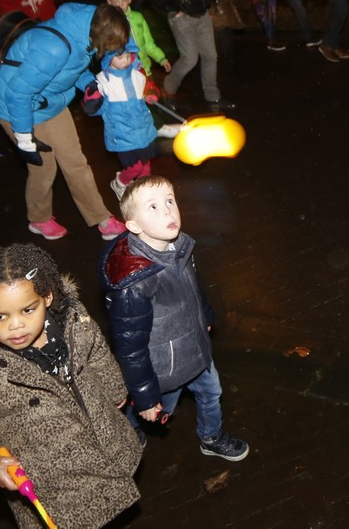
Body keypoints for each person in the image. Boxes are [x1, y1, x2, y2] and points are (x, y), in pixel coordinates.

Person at [0, 245, 141, 529]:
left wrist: (114, 389)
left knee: (112, 508)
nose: (16, 326)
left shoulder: (75, 321)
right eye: (0, 316)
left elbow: (97, 352)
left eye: (28, 310)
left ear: (47, 297)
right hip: (54, 486)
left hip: (106, 443)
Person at [99, 176, 250, 461]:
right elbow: (131, 349)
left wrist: (204, 316)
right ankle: (129, 427)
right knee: (160, 407)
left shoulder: (178, 246)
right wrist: (145, 396)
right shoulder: (134, 284)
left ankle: (211, 437)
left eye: (170, 200)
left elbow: (193, 287)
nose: (167, 210)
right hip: (165, 367)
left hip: (195, 348)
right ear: (134, 226)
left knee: (212, 392)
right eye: (153, 207)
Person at [0, 2, 126, 240]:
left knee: (76, 163)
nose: (113, 51)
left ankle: (101, 218)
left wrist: (89, 85)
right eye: (112, 45)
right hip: (17, 110)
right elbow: (18, 93)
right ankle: (39, 219)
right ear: (102, 33)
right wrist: (24, 138)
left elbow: (72, 69)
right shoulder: (54, 47)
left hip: (50, 103)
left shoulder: (87, 33)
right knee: (44, 168)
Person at [85, 9, 157, 201]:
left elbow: (148, 88)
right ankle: (121, 182)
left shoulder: (137, 75)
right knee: (135, 167)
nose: (125, 60)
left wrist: (151, 94)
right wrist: (92, 100)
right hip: (123, 137)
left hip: (143, 131)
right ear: (108, 57)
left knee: (146, 166)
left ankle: (144, 193)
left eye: (128, 56)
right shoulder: (104, 81)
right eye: (119, 57)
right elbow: (93, 109)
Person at [106, 0, 170, 78]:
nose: (120, 5)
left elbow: (148, 43)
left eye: (123, 1)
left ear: (129, 0)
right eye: (116, 2)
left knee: (150, 87)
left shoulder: (138, 18)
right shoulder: (108, 23)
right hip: (122, 72)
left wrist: (161, 58)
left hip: (144, 68)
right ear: (109, 2)